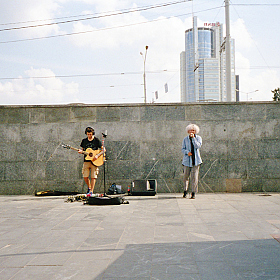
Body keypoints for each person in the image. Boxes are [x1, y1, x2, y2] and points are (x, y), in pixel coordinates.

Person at [78, 127, 102, 195]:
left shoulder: (96, 140)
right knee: (85, 176)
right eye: (88, 134)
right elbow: (83, 150)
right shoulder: (84, 141)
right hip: (86, 160)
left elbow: (103, 150)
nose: (89, 135)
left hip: (95, 161)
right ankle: (89, 187)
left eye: (90, 134)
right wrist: (81, 152)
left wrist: (97, 155)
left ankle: (91, 191)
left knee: (93, 176)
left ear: (93, 133)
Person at [181, 124, 202, 199]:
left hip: (196, 161)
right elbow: (182, 149)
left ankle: (193, 192)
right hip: (187, 161)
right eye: (190, 130)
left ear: (195, 131)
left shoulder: (198, 138)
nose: (191, 132)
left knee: (194, 178)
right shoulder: (185, 139)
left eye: (193, 130)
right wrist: (187, 152)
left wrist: (193, 139)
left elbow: (198, 146)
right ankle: (185, 191)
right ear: (188, 131)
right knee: (185, 177)